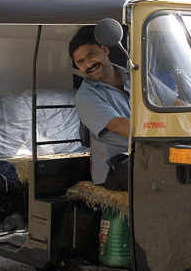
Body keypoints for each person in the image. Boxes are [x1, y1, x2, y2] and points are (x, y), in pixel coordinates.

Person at [70, 26, 184, 191]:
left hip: (151, 154)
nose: (89, 64)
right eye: (80, 62)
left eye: (91, 54)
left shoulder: (137, 76)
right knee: (170, 172)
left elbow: (176, 103)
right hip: (118, 165)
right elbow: (122, 126)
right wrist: (173, 130)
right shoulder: (85, 96)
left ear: (105, 49)